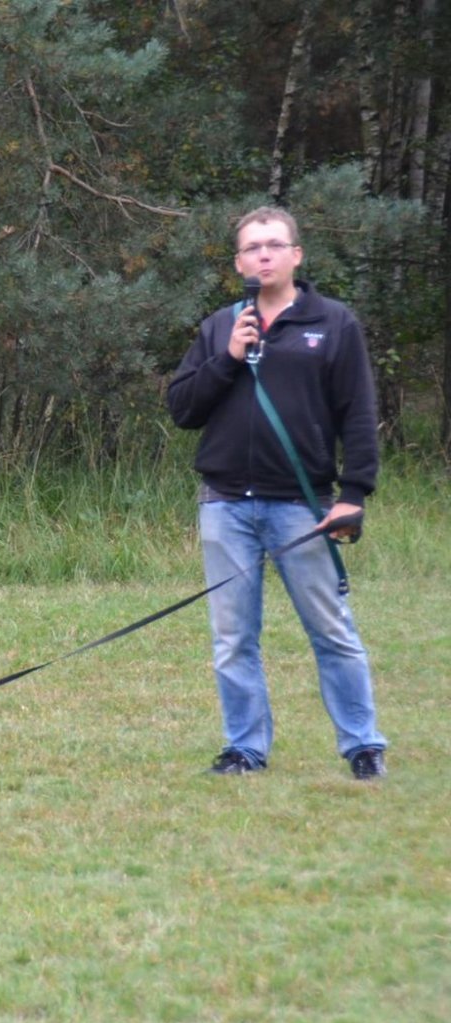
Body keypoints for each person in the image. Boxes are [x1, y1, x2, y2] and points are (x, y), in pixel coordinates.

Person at [165, 206, 387, 780]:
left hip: (302, 506)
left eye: (273, 245)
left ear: (295, 255)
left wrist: (353, 492)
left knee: (330, 629)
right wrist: (229, 358)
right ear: (238, 262)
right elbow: (183, 408)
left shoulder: (332, 323)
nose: (262, 255)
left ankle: (362, 745)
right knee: (234, 637)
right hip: (226, 504)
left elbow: (358, 415)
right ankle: (245, 748)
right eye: (251, 248)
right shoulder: (221, 326)